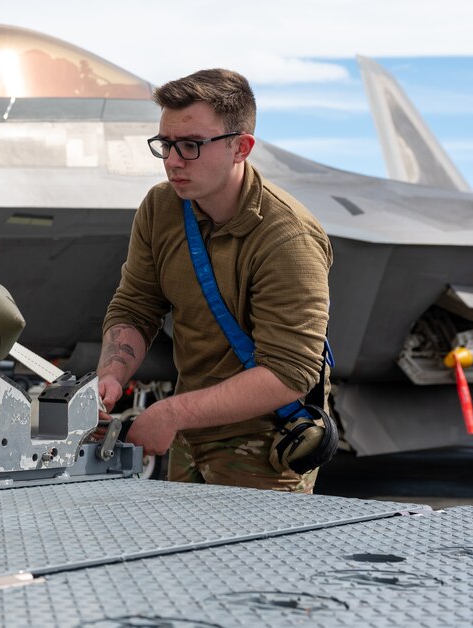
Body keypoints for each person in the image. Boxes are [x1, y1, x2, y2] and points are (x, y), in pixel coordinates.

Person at [97, 68, 332, 493]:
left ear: (240, 148)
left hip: (264, 447)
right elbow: (136, 305)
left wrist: (170, 414)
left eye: (190, 146)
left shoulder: (288, 237)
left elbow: (289, 372)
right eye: (165, 144)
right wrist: (112, 376)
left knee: (253, 562)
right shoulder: (162, 208)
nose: (172, 160)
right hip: (191, 435)